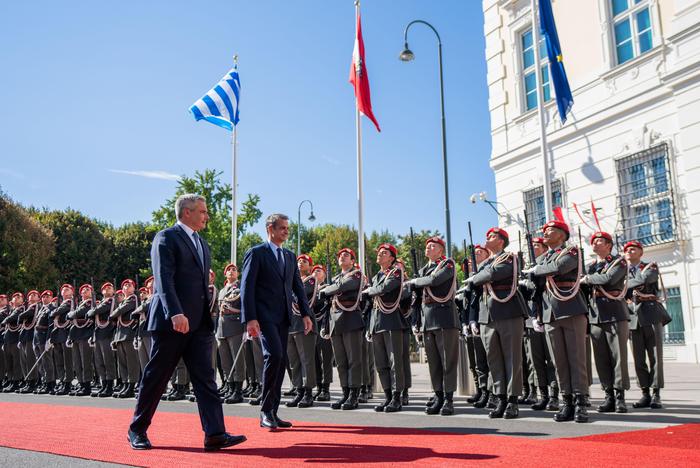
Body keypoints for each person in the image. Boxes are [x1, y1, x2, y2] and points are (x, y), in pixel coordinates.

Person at [128, 193, 246, 451]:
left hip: (200, 324)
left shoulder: (202, 244)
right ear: (186, 212)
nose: (206, 216)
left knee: (205, 378)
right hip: (174, 322)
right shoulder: (167, 237)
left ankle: (215, 434)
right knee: (157, 376)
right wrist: (175, 313)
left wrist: (206, 317)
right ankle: (137, 429)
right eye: (202, 211)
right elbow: (163, 279)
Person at [240, 213, 313, 430]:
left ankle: (272, 410)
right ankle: (264, 410)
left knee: (281, 361)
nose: (286, 232)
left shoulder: (289, 256)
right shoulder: (256, 253)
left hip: (283, 317)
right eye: (282, 228)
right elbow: (247, 287)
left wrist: (307, 314)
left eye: (287, 228)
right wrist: (250, 318)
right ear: (270, 228)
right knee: (274, 355)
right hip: (263, 317)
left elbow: (297, 287)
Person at [522, 220, 589, 423]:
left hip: (570, 308)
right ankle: (566, 400)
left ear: (562, 235)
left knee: (576, 358)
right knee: (558, 361)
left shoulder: (571, 252)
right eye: (545, 230)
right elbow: (536, 286)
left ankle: (580, 402)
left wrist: (536, 269)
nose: (546, 233)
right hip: (549, 311)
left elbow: (560, 267)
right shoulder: (543, 258)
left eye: (550, 230)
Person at [468, 228, 527, 419]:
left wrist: (476, 277)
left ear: (502, 241)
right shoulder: (487, 263)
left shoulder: (508, 258)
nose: (487, 238)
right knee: (494, 359)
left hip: (508, 311)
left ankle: (513, 400)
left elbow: (490, 275)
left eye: (492, 236)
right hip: (487, 314)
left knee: (512, 358)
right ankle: (500, 397)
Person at [407, 236, 460, 416]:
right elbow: (414, 295)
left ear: (441, 250)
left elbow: (435, 280)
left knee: (448, 362)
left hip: (445, 317)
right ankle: (438, 396)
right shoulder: (423, 270)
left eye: (433, 246)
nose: (428, 248)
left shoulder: (447, 264)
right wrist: (416, 321)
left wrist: (416, 282)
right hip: (427, 319)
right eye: (427, 246)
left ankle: (449, 399)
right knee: (434, 363)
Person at [581, 231, 630, 413]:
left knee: (618, 357)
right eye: (593, 241)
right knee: (601, 358)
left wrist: (587, 279)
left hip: (615, 312)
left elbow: (609, 279)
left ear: (609, 245)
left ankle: (620, 397)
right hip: (596, 315)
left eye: (599, 241)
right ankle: (608, 394)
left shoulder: (619, 262)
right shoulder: (592, 266)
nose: (594, 244)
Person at [317, 248, 365, 411]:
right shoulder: (336, 278)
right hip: (336, 321)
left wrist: (326, 290)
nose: (342, 257)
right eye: (340, 256)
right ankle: (345, 392)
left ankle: (353, 395)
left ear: (352, 261)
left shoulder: (356, 274)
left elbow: (342, 286)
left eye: (346, 256)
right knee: (341, 362)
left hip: (351, 320)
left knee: (353, 360)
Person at [625, 240, 668, 409]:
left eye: (633, 249)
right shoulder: (623, 271)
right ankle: (645, 393)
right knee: (638, 358)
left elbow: (644, 280)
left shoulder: (650, 267)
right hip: (633, 316)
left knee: (655, 356)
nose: (629, 251)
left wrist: (623, 284)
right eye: (627, 249)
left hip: (651, 313)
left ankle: (656, 394)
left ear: (641, 252)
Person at [362, 243, 405, 413]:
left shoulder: (395, 272)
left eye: (384, 253)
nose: (380, 254)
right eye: (379, 252)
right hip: (377, 322)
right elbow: (374, 299)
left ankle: (396, 398)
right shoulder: (378, 275)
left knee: (395, 363)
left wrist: (370, 290)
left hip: (391, 321)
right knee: (381, 364)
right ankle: (388, 397)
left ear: (392, 258)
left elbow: (385, 288)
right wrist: (369, 327)